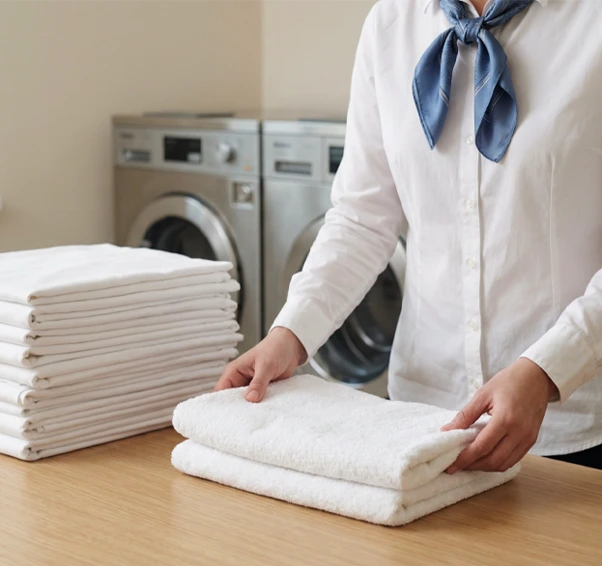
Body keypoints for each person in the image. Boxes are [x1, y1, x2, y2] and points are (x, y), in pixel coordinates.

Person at [216, 0, 602, 472]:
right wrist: (290, 334)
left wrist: (546, 371)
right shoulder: (389, 26)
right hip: (421, 418)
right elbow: (361, 218)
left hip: (573, 428)